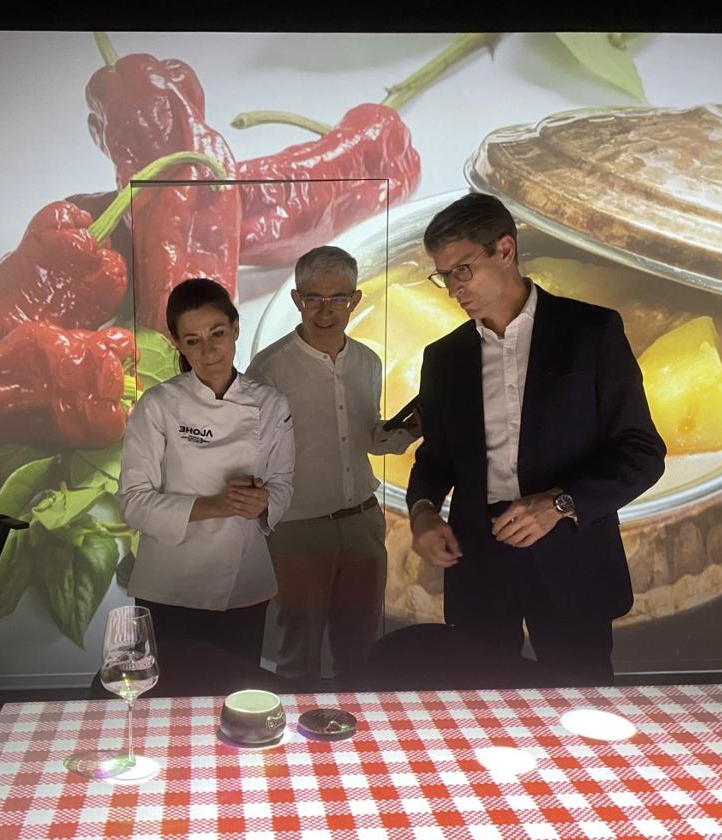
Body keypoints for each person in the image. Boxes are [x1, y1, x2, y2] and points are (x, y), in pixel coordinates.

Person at [407, 193, 665, 686]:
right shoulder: (444, 356)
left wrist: (560, 503)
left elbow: (642, 452)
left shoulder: (591, 332)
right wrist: (421, 511)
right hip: (478, 562)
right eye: (444, 276)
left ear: (505, 250)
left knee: (582, 712)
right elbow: (436, 457)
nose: (453, 289)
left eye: (462, 270)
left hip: (571, 556)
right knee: (479, 712)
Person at [247, 246, 419, 682]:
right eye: (313, 299)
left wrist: (405, 434)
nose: (326, 311)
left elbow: (366, 437)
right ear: (296, 300)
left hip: (363, 520)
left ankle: (355, 744)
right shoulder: (268, 369)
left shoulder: (367, 361)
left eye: (337, 298)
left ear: (355, 300)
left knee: (359, 648)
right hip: (297, 528)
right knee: (298, 651)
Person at [118, 278, 294, 665]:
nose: (209, 349)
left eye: (217, 333)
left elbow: (282, 485)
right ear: (177, 344)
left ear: (235, 328)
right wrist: (217, 505)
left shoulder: (270, 403)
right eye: (193, 339)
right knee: (168, 707)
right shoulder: (158, 405)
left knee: (237, 696)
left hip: (244, 584)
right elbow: (133, 503)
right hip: (169, 586)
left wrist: (264, 501)